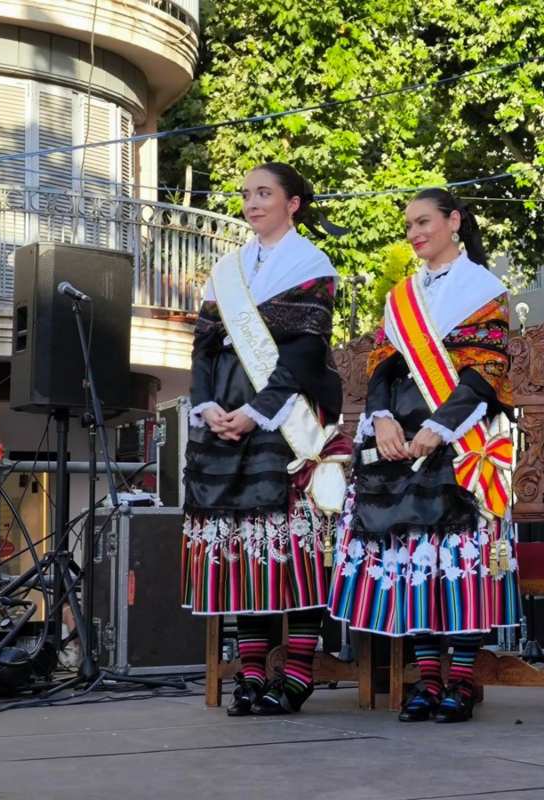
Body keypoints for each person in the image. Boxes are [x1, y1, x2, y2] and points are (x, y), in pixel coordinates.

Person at [327, 188, 519, 724]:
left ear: (454, 221)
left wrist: (438, 427)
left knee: (458, 565)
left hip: (461, 440)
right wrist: (382, 418)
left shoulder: (486, 288)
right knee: (414, 563)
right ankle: (426, 680)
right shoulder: (401, 296)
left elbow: (485, 372)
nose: (414, 233)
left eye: (424, 222)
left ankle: (459, 682)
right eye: (409, 225)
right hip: (399, 440)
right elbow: (383, 368)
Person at [181, 162, 348, 716]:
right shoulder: (226, 271)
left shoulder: (310, 264)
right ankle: (251, 673)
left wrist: (256, 412)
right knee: (239, 554)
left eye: (265, 194)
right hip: (223, 421)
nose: (253, 203)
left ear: (293, 203)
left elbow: (302, 353)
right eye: (247, 194)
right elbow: (204, 346)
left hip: (284, 421)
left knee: (289, 551)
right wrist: (207, 406)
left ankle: (297, 672)